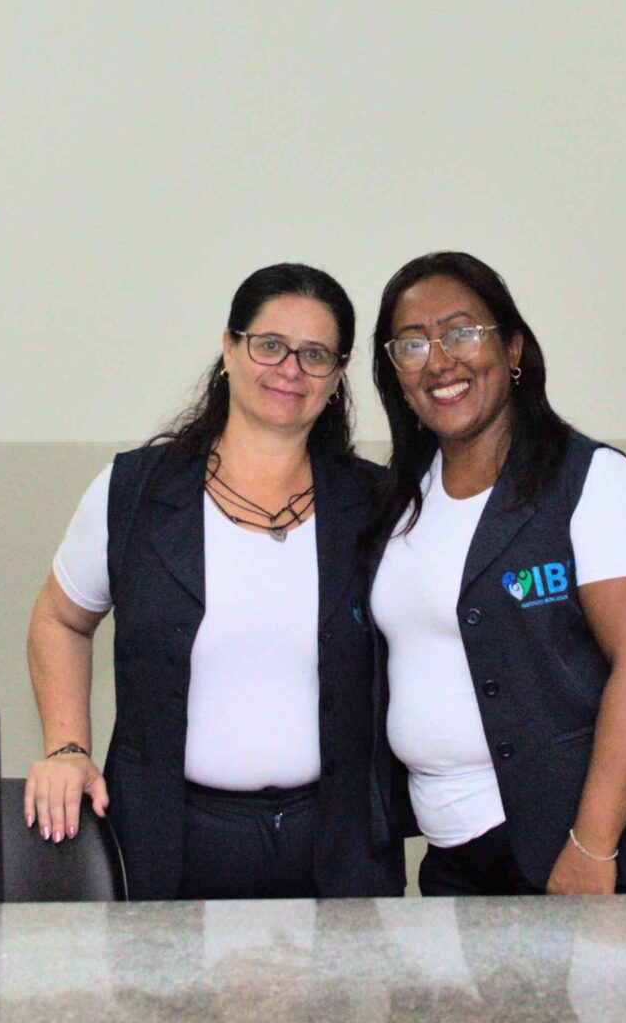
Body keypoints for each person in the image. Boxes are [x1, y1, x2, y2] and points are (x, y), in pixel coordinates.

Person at [23, 263, 399, 900]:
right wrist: (67, 748)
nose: (290, 369)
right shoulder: (133, 492)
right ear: (229, 348)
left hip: (340, 849)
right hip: (170, 843)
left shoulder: (377, 505)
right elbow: (60, 619)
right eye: (270, 345)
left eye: (315, 355)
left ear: (337, 376)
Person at [363, 250, 626, 896]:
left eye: (462, 332)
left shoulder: (593, 481)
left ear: (514, 348)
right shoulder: (399, 500)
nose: (439, 361)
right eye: (412, 344)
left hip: (580, 850)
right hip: (455, 852)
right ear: (396, 376)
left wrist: (592, 845)